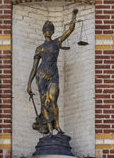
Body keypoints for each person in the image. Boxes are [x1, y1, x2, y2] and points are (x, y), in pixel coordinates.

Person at [27, 8, 79, 137]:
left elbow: (70, 30)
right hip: (42, 75)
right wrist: (29, 84)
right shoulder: (39, 48)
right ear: (43, 32)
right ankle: (49, 130)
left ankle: (57, 125)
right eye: (46, 30)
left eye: (50, 29)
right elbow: (34, 68)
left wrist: (73, 16)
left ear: (53, 31)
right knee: (45, 102)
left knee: (53, 100)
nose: (48, 31)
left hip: (53, 74)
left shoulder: (57, 42)